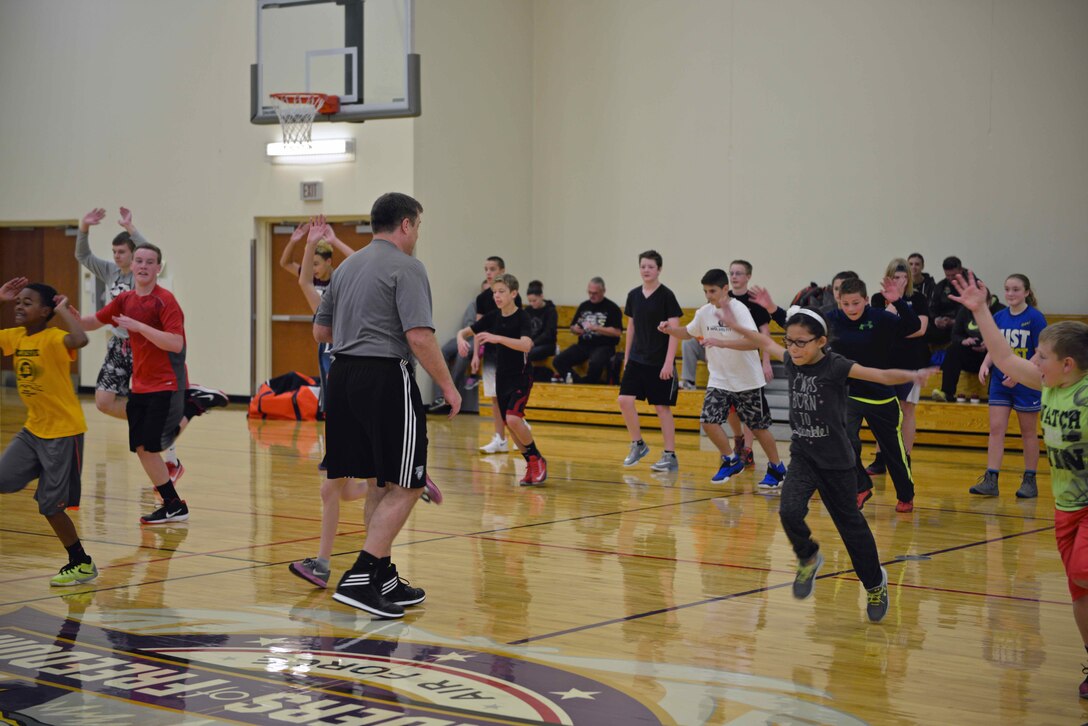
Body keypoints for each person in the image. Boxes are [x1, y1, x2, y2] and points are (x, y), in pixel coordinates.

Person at [715, 302, 933, 623]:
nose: (793, 348)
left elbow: (880, 374)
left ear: (821, 342)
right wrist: (733, 323)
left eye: (800, 342)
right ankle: (808, 557)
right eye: (789, 341)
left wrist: (913, 375)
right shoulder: (791, 361)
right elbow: (762, 341)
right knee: (789, 511)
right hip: (804, 456)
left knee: (851, 528)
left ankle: (875, 584)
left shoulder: (836, 366)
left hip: (837, 462)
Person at [314, 192, 461, 619]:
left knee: (381, 481)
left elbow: (321, 333)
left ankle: (382, 574)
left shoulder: (346, 268)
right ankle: (361, 576)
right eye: (418, 226)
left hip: (341, 378)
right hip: (384, 377)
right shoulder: (408, 267)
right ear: (407, 225)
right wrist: (448, 387)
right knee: (410, 483)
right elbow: (419, 336)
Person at [947, 272, 1087, 697]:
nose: (1035, 361)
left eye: (1042, 356)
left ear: (1067, 364)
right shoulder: (1050, 386)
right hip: (1065, 506)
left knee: (1085, 570)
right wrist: (980, 311)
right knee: (1079, 590)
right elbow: (1006, 358)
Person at [289, 216, 442, 590]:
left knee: (344, 486)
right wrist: (310, 243)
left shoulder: (365, 290)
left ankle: (334, 565)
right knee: (348, 486)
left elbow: (373, 259)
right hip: (340, 399)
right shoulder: (330, 301)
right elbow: (304, 280)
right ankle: (360, 564)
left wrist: (334, 242)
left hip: (361, 393)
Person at [74, 207, 227, 484]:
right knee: (104, 402)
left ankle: (170, 456)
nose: (118, 256)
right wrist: (84, 227)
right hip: (118, 344)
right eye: (116, 252)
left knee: (153, 411)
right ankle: (159, 435)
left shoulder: (144, 276)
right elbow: (83, 256)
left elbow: (150, 254)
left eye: (123, 252)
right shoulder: (109, 271)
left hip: (145, 345)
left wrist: (131, 227)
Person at [78, 243, 198, 524]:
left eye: (150, 262)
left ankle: (190, 407)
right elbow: (94, 321)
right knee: (144, 449)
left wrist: (139, 326)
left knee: (150, 445)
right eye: (139, 261)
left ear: (158, 268)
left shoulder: (165, 301)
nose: (143, 266)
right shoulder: (125, 300)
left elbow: (176, 342)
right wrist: (64, 314)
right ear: (132, 266)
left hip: (166, 382)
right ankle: (173, 505)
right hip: (141, 385)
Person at [0, 278, 97, 586]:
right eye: (18, 302)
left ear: (44, 311)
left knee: (50, 507)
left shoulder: (55, 337)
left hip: (63, 433)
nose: (19, 306)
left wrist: (64, 309)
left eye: (27, 303)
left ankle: (80, 562)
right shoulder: (15, 337)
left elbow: (80, 339)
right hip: (33, 430)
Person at [658, 269, 786, 488]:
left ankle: (777, 468)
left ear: (725, 289)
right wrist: (670, 330)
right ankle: (731, 459)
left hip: (748, 380)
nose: (709, 295)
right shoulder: (704, 312)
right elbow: (688, 332)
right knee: (708, 421)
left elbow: (755, 342)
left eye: (713, 291)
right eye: (706, 291)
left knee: (758, 428)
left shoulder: (740, 310)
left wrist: (722, 343)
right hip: (720, 380)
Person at [828, 277, 921, 512]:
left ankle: (905, 494)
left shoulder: (879, 318)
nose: (851, 309)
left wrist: (898, 302)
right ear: (838, 300)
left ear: (866, 300)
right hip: (848, 394)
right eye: (845, 303)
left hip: (881, 395)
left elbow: (913, 327)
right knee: (843, 441)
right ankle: (860, 487)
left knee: (893, 451)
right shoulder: (831, 319)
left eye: (856, 303)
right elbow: (801, 324)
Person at [458, 274, 546, 485]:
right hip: (501, 376)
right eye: (494, 292)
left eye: (501, 292)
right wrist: (461, 339)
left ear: (514, 293)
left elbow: (526, 345)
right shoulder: (492, 316)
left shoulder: (522, 317)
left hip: (521, 376)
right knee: (509, 423)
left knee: (515, 419)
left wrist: (498, 338)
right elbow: (466, 331)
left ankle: (537, 458)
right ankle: (531, 462)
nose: (496, 296)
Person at [969, 274, 1047, 498]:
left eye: (1015, 289)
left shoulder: (1035, 318)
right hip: (1001, 382)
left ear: (1026, 292)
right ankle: (991, 479)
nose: (1011, 294)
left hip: (1027, 383)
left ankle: (1030, 480)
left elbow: (1040, 352)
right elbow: (996, 348)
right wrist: (985, 364)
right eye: (1007, 289)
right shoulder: (1000, 316)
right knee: (996, 429)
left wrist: (1020, 374)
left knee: (1028, 432)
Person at [280, 214, 356, 414]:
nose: (313, 269)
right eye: (310, 264)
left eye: (316, 264)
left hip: (349, 345)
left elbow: (360, 263)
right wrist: (304, 244)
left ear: (329, 262)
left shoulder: (340, 279)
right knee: (337, 404)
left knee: (348, 404)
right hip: (330, 347)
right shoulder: (314, 291)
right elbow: (297, 274)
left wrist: (332, 241)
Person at [618, 250, 683, 472]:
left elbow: (674, 331)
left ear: (659, 269)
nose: (646, 270)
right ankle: (638, 444)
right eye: (643, 266)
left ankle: (669, 455)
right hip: (637, 358)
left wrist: (668, 363)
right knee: (624, 400)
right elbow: (631, 327)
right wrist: (627, 357)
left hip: (659, 361)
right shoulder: (633, 295)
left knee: (661, 408)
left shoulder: (667, 295)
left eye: (650, 267)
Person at [866, 258, 930, 472]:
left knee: (907, 409)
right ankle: (880, 457)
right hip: (884, 363)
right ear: (888, 278)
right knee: (883, 410)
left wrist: (893, 330)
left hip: (911, 362)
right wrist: (894, 303)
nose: (901, 281)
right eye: (896, 277)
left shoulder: (918, 299)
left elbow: (921, 329)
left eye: (904, 277)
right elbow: (879, 327)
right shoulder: (877, 298)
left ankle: (906, 457)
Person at [475, 256, 523, 454]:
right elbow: (478, 328)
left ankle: (520, 433)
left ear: (502, 271)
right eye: (486, 269)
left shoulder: (512, 297)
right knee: (494, 397)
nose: (488, 272)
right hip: (491, 355)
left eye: (492, 269)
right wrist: (476, 355)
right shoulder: (482, 298)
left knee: (511, 398)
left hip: (509, 354)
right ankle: (500, 439)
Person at [932, 292, 1006, 402]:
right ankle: (947, 392)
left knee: (1000, 354)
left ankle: (994, 394)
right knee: (953, 349)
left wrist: (990, 343)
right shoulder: (965, 310)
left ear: (989, 301)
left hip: (991, 356)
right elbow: (955, 334)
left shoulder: (1001, 311)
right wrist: (964, 340)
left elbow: (1006, 337)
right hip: (970, 354)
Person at [428, 280, 487, 414]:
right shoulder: (474, 304)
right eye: (484, 290)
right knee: (441, 351)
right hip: (468, 336)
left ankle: (449, 396)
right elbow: (468, 324)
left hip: (482, 339)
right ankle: (439, 397)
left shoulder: (497, 304)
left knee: (462, 354)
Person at [552, 276, 623, 384]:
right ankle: (578, 383)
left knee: (595, 362)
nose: (591, 295)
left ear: (603, 291)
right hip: (584, 345)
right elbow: (573, 327)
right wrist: (575, 329)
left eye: (595, 293)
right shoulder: (584, 305)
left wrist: (596, 328)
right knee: (558, 360)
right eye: (589, 292)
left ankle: (589, 385)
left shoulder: (612, 308)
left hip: (604, 346)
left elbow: (617, 332)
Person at [927, 256, 969, 346]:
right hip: (944, 323)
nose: (950, 278)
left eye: (953, 275)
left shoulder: (972, 284)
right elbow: (933, 307)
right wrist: (937, 319)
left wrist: (955, 321)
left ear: (960, 270)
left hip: (965, 324)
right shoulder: (941, 286)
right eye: (947, 275)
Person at [524, 280, 558, 370]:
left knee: (528, 354)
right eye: (529, 301)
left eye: (534, 300)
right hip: (530, 343)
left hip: (547, 344)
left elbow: (549, 333)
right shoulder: (527, 310)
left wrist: (533, 343)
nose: (532, 303)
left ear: (541, 296)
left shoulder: (550, 311)